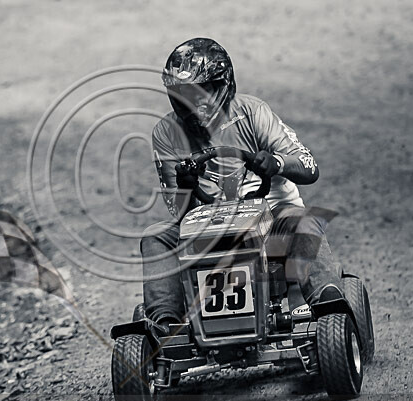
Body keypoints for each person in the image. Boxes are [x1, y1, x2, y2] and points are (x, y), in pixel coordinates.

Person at [142, 37, 345, 326]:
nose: (191, 103)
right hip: (208, 226)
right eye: (182, 94)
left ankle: (327, 300)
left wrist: (275, 163)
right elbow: (179, 212)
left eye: (200, 92)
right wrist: (186, 186)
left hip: (272, 219)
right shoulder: (165, 133)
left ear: (222, 85)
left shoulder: (252, 112)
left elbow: (309, 169)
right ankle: (164, 322)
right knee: (155, 236)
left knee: (304, 221)